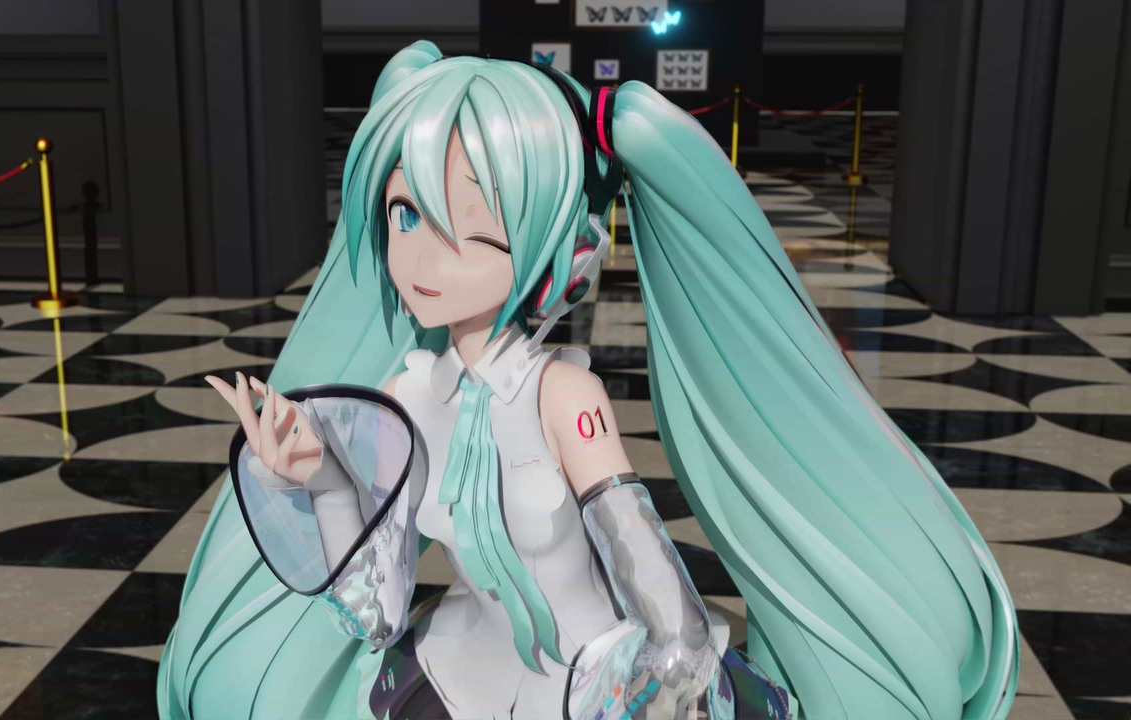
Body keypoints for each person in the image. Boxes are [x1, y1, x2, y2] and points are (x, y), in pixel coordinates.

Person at [158, 41, 1019, 720]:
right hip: (454, 673)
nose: (419, 258)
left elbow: (640, 552)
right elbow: (377, 614)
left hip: (600, 685)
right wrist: (317, 483)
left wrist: (676, 668)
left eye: (468, 227)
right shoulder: (411, 397)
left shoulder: (564, 398)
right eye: (405, 214)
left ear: (558, 249)